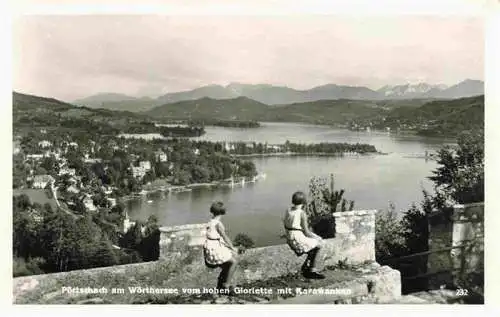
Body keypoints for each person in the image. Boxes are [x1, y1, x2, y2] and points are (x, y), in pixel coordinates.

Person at [283, 191, 325, 279]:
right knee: (319, 245)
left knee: (312, 246)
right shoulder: (301, 213)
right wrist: (318, 237)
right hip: (297, 238)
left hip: (290, 237)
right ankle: (312, 270)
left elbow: (287, 225)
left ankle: (307, 266)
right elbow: (306, 232)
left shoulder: (288, 210)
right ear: (304, 202)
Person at [203, 201, 239, 293]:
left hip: (211, 246)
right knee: (234, 261)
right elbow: (225, 237)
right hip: (215, 248)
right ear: (223, 212)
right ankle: (226, 284)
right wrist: (232, 247)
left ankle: (225, 280)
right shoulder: (218, 224)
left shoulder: (210, 221)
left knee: (231, 258)